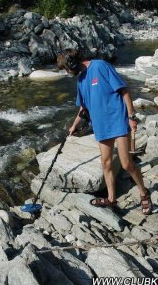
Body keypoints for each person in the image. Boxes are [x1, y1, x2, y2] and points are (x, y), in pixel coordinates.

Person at [57, 49, 152, 215]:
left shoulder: (100, 66)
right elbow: (83, 107)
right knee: (106, 164)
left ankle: (144, 194)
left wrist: (131, 116)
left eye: (66, 68)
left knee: (126, 164)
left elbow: (124, 90)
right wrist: (74, 126)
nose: (67, 72)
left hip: (118, 120)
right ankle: (111, 199)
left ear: (72, 63)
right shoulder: (80, 80)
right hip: (100, 126)